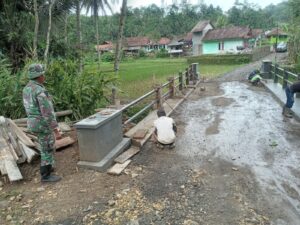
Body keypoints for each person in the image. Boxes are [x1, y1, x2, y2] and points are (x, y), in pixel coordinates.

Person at [23, 64, 62, 182]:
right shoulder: (40, 90)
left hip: (32, 122)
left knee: (44, 145)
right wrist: (56, 129)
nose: (44, 76)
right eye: (42, 74)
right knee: (47, 148)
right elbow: (47, 112)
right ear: (39, 76)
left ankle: (49, 167)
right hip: (42, 123)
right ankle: (46, 176)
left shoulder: (26, 88)